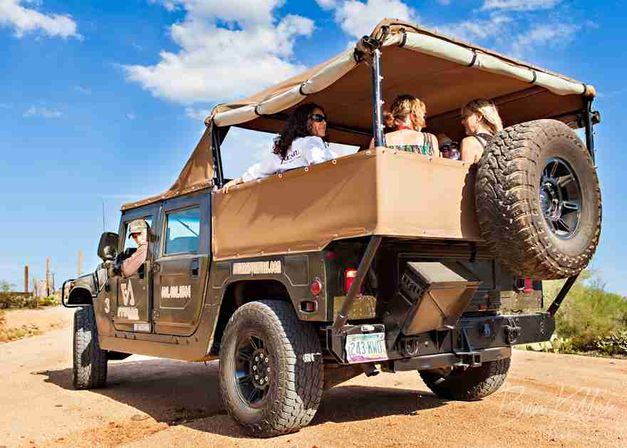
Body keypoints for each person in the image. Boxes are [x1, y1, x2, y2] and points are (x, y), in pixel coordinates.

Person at [222, 103, 336, 191]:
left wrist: (237, 181)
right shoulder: (312, 141)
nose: (324, 122)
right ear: (304, 120)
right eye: (318, 118)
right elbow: (321, 166)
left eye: (324, 119)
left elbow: (260, 170)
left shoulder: (281, 151)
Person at [370, 94, 439, 157]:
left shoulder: (379, 141)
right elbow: (437, 168)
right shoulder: (429, 140)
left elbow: (371, 168)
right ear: (414, 115)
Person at [460, 99, 504, 164]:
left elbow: (464, 173)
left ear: (478, 116)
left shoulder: (470, 142)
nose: (462, 122)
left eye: (465, 117)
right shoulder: (501, 143)